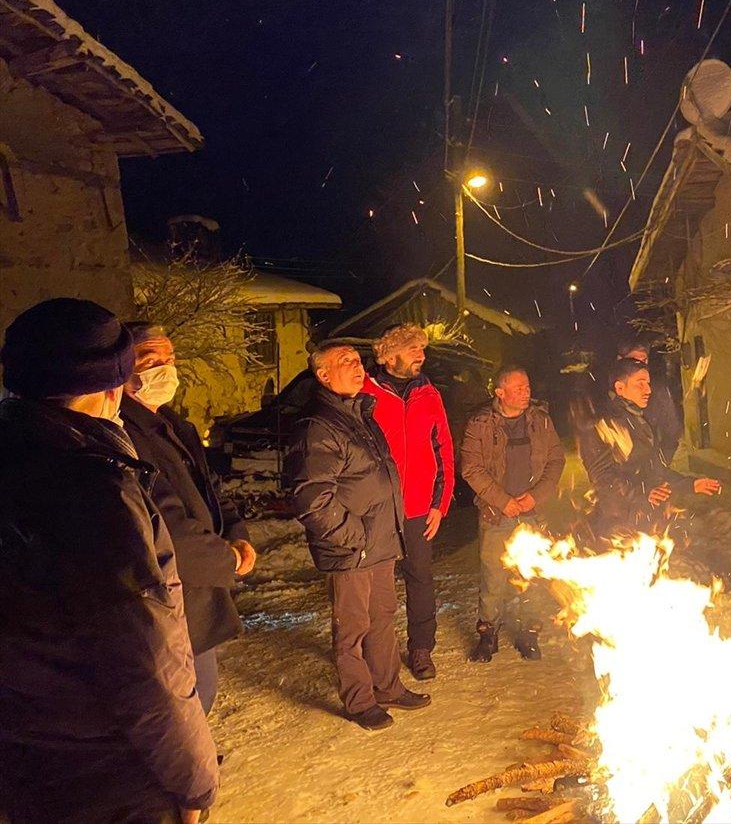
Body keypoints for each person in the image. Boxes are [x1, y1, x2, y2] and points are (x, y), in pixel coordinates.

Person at [0, 298, 218, 823]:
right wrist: (196, 783)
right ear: (113, 384)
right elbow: (144, 657)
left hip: (26, 753)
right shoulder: (92, 486)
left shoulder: (17, 453)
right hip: (107, 768)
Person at [284, 341, 430, 731]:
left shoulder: (359, 414)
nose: (357, 365)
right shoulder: (318, 425)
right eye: (344, 361)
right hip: (351, 550)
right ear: (324, 376)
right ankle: (359, 701)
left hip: (378, 543)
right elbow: (312, 499)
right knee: (352, 629)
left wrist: (383, 532)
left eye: (357, 359)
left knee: (382, 617)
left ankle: (387, 686)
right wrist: (356, 537)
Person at [120, 323, 257, 714]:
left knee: (200, 688)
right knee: (182, 699)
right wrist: (225, 558)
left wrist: (238, 533)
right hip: (172, 590)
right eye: (150, 361)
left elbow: (210, 488)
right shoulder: (126, 434)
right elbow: (165, 521)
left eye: (169, 359)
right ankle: (189, 771)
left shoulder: (176, 425)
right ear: (124, 370)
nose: (165, 369)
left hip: (199, 584)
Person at [361, 324, 455, 681]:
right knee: (375, 582)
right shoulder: (365, 391)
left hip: (418, 508)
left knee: (420, 577)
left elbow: (444, 448)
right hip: (379, 509)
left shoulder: (428, 393)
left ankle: (421, 649)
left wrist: (439, 504)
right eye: (413, 348)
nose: (421, 354)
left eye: (423, 348)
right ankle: (376, 653)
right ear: (389, 354)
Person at [460, 364, 565, 662]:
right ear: (500, 392)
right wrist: (502, 500)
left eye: (527, 387)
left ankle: (528, 633)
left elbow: (555, 461)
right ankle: (488, 633)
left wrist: (536, 496)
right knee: (493, 574)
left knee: (530, 574)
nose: (525, 393)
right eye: (518, 388)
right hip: (497, 514)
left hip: (534, 513)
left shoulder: (540, 421)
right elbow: (471, 468)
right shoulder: (480, 424)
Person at [580, 357, 720, 540]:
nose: (648, 390)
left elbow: (655, 469)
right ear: (620, 388)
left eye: (648, 383)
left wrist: (690, 484)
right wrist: (641, 494)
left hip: (646, 521)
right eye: (640, 384)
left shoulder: (640, 421)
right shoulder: (602, 425)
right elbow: (602, 479)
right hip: (616, 526)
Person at [615, 339, 682, 462]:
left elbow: (671, 430)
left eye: (644, 360)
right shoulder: (609, 398)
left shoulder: (657, 391)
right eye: (634, 360)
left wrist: (660, 464)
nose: (640, 365)